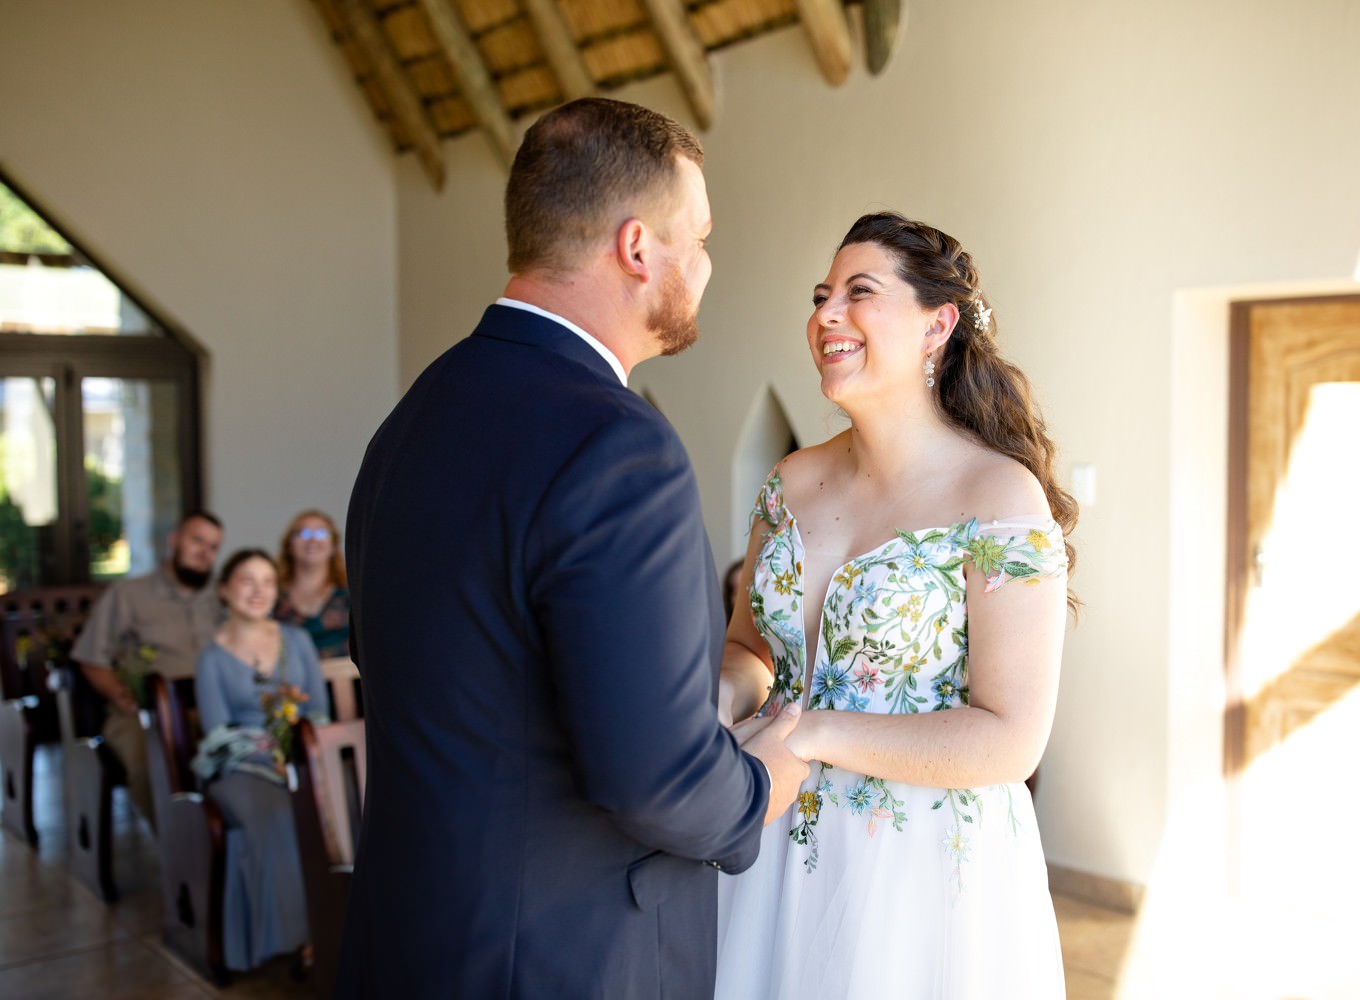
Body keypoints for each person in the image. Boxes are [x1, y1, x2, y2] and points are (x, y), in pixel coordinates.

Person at [336, 97, 807, 999]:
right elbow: (656, 779)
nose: (707, 265)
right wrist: (761, 786)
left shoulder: (412, 420)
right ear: (638, 249)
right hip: (562, 956)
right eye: (699, 238)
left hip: (409, 935)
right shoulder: (617, 446)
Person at [715, 211, 1078, 998]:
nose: (826, 315)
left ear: (936, 325)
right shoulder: (788, 482)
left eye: (859, 292)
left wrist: (809, 733)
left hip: (915, 872)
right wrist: (714, 706)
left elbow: (1011, 738)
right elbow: (749, 649)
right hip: (770, 837)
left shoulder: (997, 495)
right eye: (821, 295)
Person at [192, 548, 329, 973]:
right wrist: (266, 751)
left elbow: (320, 712)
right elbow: (217, 732)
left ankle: (341, 920)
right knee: (275, 815)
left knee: (337, 804)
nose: (259, 591)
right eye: (247, 581)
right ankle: (297, 937)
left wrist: (295, 751)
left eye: (268, 581)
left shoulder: (298, 641)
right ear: (225, 590)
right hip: (240, 767)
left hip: (301, 756)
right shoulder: (212, 657)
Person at [70, 509, 225, 830]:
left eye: (213, 547)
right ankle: (180, 846)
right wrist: (117, 693)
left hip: (209, 706)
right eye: (197, 540)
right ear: (174, 541)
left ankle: (225, 841)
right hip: (144, 711)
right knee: (152, 761)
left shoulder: (221, 597)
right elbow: (90, 657)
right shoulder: (128, 595)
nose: (204, 553)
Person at [272, 509, 351, 659]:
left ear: (333, 545)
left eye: (322, 533)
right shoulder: (271, 598)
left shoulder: (351, 595)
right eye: (303, 534)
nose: (313, 540)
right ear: (289, 544)